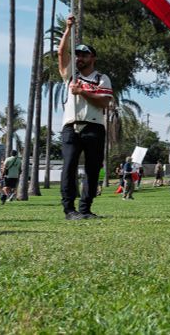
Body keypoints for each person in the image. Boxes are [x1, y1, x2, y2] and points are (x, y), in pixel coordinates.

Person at [58, 16, 113, 220]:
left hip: (94, 127)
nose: (80, 58)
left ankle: (85, 208)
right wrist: (68, 29)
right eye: (78, 54)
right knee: (69, 165)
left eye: (84, 55)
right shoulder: (71, 75)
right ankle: (69, 209)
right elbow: (61, 53)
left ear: (93, 58)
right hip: (71, 127)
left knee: (92, 168)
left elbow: (104, 102)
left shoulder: (101, 78)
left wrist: (83, 93)